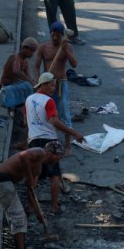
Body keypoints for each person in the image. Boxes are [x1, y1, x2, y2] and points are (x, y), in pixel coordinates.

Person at [0, 141, 65, 249]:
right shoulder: (39, 152)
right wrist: (29, 174)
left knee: (19, 217)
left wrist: (38, 213)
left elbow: (31, 189)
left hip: (7, 183)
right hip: (1, 182)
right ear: (52, 153)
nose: (59, 159)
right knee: (18, 217)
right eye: (59, 156)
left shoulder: (40, 167)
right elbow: (22, 156)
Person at [25, 72, 84, 214]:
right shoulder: (49, 101)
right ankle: (54, 205)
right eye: (51, 86)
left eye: (54, 86)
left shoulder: (28, 99)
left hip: (33, 139)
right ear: (43, 85)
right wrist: (73, 132)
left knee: (34, 174)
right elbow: (53, 121)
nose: (53, 89)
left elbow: (25, 122)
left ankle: (31, 206)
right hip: (49, 139)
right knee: (54, 174)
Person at [35, 21, 78, 155]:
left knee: (64, 112)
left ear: (61, 35)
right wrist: (38, 80)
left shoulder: (67, 46)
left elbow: (74, 64)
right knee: (43, 112)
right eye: (53, 35)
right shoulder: (43, 47)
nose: (55, 38)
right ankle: (45, 141)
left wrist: (65, 50)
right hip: (47, 84)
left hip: (60, 83)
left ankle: (67, 145)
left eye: (57, 36)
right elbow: (36, 66)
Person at [0, 37, 38, 108]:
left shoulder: (25, 61)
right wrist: (29, 82)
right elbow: (16, 71)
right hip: (5, 85)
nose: (32, 54)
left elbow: (27, 75)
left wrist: (33, 83)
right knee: (27, 85)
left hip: (14, 84)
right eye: (31, 51)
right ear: (25, 48)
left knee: (30, 86)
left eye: (33, 51)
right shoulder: (15, 57)